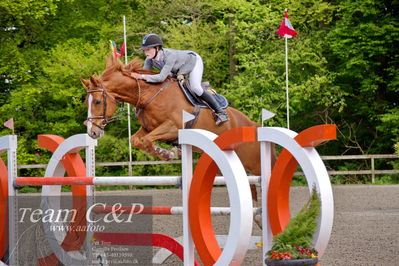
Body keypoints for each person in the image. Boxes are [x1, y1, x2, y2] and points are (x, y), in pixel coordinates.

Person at [131, 33, 229, 126]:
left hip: (192, 61)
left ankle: (221, 112)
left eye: (148, 49)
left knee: (196, 87)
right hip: (177, 69)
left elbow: (160, 77)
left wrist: (142, 76)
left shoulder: (169, 56)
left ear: (157, 48)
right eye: (144, 50)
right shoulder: (149, 60)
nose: (146, 52)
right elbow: (144, 77)